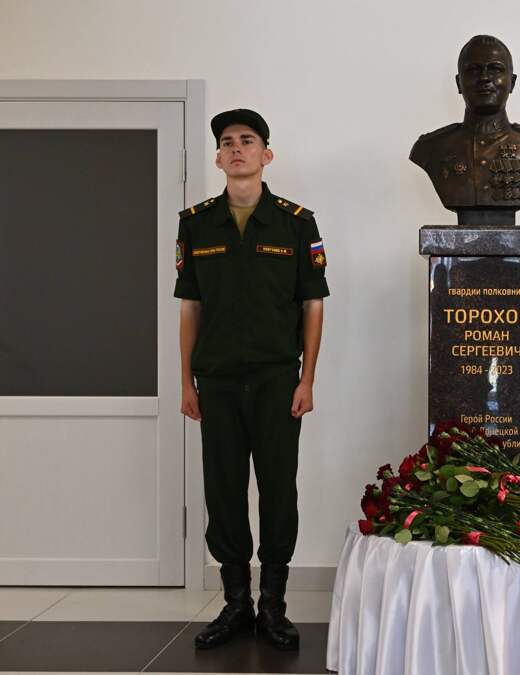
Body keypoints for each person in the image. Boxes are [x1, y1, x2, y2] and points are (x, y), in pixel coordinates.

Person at [174, 108, 329, 651]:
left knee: (278, 488)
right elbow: (190, 307)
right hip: (216, 380)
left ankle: (273, 605)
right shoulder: (196, 224)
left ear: (267, 154)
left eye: (247, 140)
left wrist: (307, 379)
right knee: (222, 489)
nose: (236, 148)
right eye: (227, 142)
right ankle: (236, 603)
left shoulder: (296, 223)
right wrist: (186, 382)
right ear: (218, 158)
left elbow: (313, 304)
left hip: (275, 379)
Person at [409, 34, 520, 225]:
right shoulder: (430, 149)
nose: (484, 77)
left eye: (495, 69)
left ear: (512, 82)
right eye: (473, 70)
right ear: (458, 83)